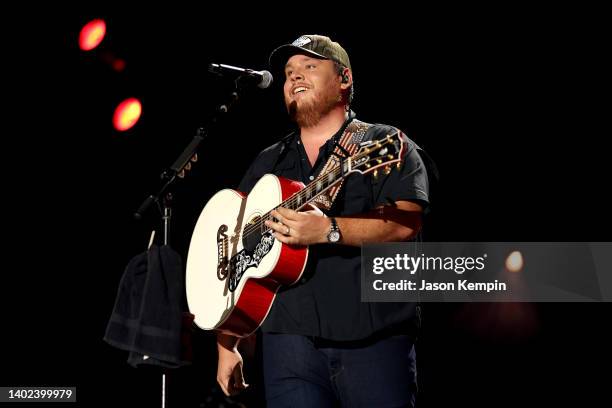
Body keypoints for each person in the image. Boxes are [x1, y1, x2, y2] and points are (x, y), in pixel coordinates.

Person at [216, 34, 431, 407]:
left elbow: (404, 223)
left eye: (310, 67)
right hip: (287, 343)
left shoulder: (384, 143)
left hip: (372, 341)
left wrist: (329, 230)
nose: (295, 77)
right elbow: (238, 249)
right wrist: (227, 342)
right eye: (289, 72)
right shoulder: (268, 162)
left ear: (344, 79)